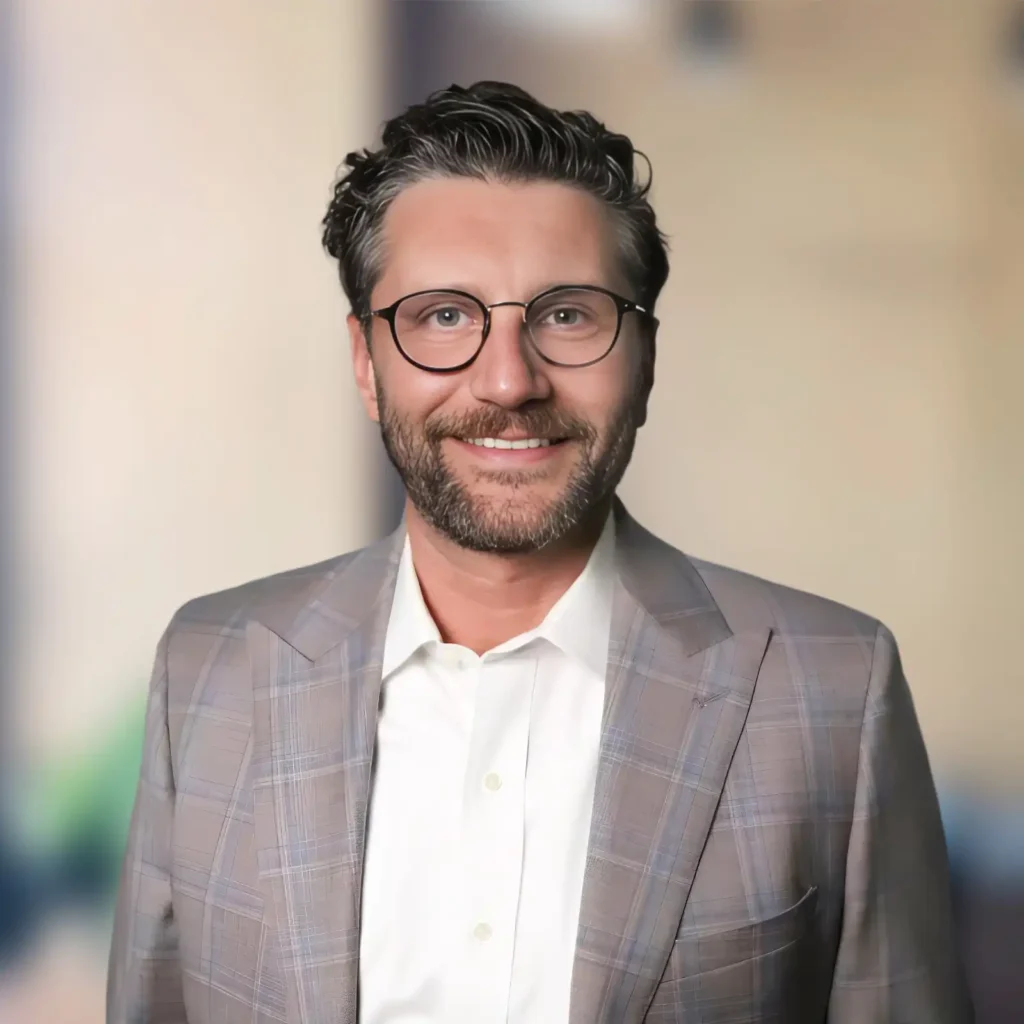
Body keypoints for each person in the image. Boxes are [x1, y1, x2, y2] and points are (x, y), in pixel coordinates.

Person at [107, 81, 971, 1024]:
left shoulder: (836, 690)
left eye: (567, 315)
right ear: (365, 362)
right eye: (443, 315)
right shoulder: (208, 665)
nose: (509, 380)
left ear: (644, 360)